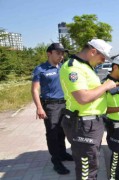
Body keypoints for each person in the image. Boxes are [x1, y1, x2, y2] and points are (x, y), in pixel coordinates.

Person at [59, 39, 117, 180]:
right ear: (92, 52)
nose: (103, 61)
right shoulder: (73, 68)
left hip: (91, 124)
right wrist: (106, 86)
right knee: (87, 168)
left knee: (91, 163)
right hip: (83, 125)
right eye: (102, 57)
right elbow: (83, 98)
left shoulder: (86, 66)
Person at [31, 43, 73, 175]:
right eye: (58, 53)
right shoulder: (41, 69)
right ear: (49, 53)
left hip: (65, 104)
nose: (61, 56)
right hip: (50, 105)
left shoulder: (63, 67)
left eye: (62, 53)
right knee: (53, 133)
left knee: (62, 131)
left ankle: (62, 153)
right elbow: (35, 89)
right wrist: (39, 107)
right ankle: (56, 161)